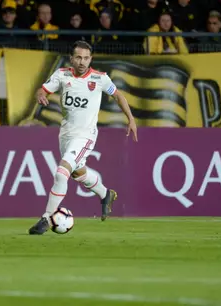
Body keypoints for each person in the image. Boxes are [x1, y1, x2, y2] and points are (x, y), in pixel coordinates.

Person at [28, 40, 138, 235]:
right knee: (79, 174)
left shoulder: (100, 78)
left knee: (62, 172)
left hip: (86, 136)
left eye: (86, 58)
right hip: (66, 134)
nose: (82, 61)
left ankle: (46, 218)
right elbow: (42, 90)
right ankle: (106, 194)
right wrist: (40, 95)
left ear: (91, 59)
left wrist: (131, 119)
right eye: (78, 57)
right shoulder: (62, 75)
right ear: (71, 58)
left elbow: (118, 96)